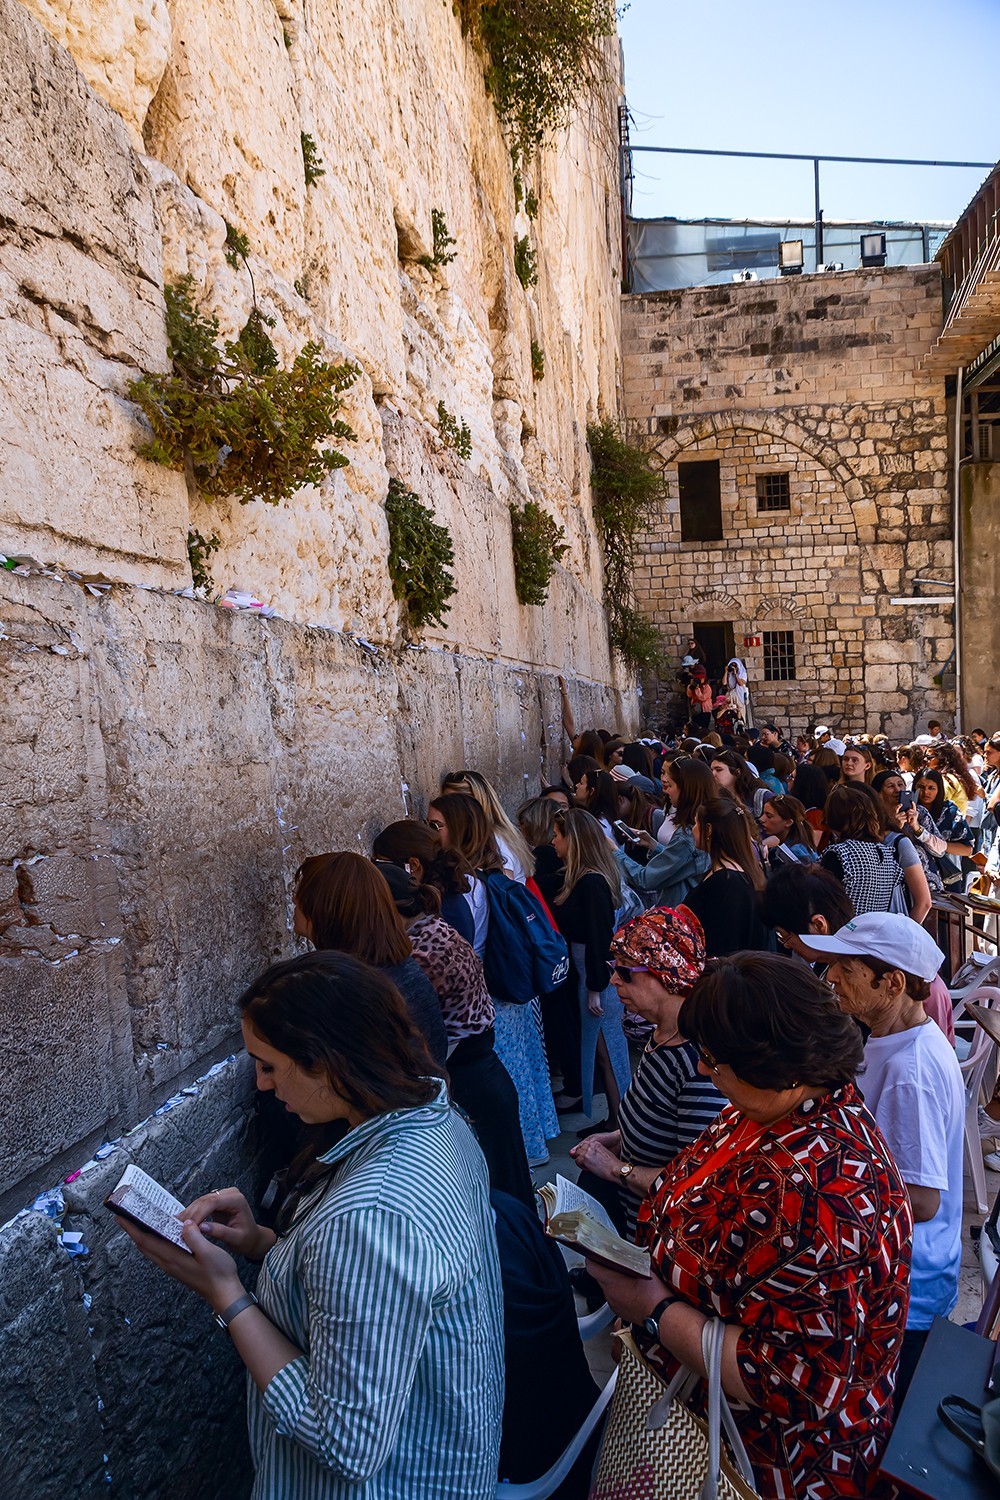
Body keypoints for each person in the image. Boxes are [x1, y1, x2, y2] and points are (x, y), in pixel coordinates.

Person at [115, 951, 505, 1499]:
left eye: (269, 1065)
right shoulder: (435, 1119)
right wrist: (262, 1243)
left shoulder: (372, 1216)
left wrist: (226, 1293)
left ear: (326, 1063)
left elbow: (344, 1439)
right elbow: (375, 1291)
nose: (262, 1084)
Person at [585, 953, 912, 1500]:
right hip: (701, 1419)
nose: (702, 1071)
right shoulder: (768, 1109)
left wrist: (653, 1310)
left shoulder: (822, 1198)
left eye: (713, 1060)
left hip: (765, 1462)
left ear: (775, 1065)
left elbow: (793, 1380)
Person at [800, 914, 964, 1412]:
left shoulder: (909, 1071)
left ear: (892, 983)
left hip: (906, 1290)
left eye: (845, 970)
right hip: (901, 1279)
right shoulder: (897, 1039)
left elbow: (923, 1200)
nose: (830, 978)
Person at [377, 860, 534, 1206]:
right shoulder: (434, 929)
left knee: (499, 1201)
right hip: (483, 1076)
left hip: (471, 1081)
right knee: (509, 1191)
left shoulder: (421, 950)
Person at [570, 907, 724, 1239]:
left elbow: (696, 1182)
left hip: (662, 1239)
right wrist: (618, 1139)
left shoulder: (699, 1063)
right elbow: (657, 1123)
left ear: (666, 974)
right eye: (614, 968)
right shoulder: (661, 1035)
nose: (614, 980)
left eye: (625, 972)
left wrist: (615, 1169)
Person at [427, 793, 558, 1167]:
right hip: (502, 990)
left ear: (460, 831)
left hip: (487, 994)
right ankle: (529, 1150)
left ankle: (519, 1156)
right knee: (517, 1071)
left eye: (436, 826)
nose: (430, 833)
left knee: (505, 1075)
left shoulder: (464, 887)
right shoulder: (490, 876)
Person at [294, 852, 448, 1065]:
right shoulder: (395, 967)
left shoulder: (353, 989)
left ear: (325, 909)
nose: (294, 899)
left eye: (302, 893)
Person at [550, 808, 630, 1129]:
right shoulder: (585, 878)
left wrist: (596, 986)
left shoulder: (592, 882)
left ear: (574, 839)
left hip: (597, 978)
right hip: (590, 975)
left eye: (557, 835)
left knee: (608, 1052)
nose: (553, 841)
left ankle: (619, 1123)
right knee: (603, 1052)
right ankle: (615, 1119)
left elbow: (600, 937)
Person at [821, 784, 931, 923]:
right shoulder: (886, 852)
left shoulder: (841, 853)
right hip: (877, 931)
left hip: (847, 930)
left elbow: (825, 903)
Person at [616, 756, 713, 908]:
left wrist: (615, 852)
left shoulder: (688, 835)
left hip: (678, 909)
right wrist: (653, 845)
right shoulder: (704, 825)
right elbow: (682, 864)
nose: (667, 789)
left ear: (686, 790)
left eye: (671, 785)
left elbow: (646, 879)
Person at [685, 797, 769, 955]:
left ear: (708, 830)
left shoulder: (727, 882)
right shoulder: (738, 873)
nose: (692, 829)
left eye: (696, 823)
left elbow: (724, 944)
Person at [372, 818, 475, 942]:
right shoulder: (444, 896)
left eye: (382, 865)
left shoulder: (435, 913)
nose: (379, 872)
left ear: (413, 865)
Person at [439, 769, 536, 882]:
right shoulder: (488, 834)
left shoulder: (495, 840)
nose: (448, 810)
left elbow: (502, 887)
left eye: (456, 804)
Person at [913, 768, 974, 888]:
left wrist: (939, 845)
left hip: (945, 876)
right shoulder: (906, 811)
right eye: (921, 787)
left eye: (931, 788)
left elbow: (967, 849)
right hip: (913, 875)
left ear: (939, 789)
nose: (926, 792)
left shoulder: (949, 812)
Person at [759, 793, 816, 866]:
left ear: (788, 822)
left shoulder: (795, 854)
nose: (761, 819)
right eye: (763, 814)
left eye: (769, 816)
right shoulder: (796, 846)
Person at [788, 760, 831, 849]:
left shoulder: (815, 815)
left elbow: (809, 848)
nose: (788, 780)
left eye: (792, 778)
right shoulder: (802, 809)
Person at [723, 656, 751, 725]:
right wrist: (726, 672)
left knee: (740, 713)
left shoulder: (743, 673)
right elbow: (724, 683)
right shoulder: (729, 674)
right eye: (732, 665)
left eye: (735, 666)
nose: (733, 667)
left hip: (739, 696)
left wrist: (736, 674)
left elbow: (740, 683)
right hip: (731, 695)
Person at [686, 666, 713, 732]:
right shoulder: (694, 686)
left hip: (705, 710)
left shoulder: (707, 687)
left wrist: (697, 690)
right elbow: (689, 695)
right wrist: (691, 687)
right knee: (695, 728)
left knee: (704, 728)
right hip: (696, 709)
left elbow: (703, 698)